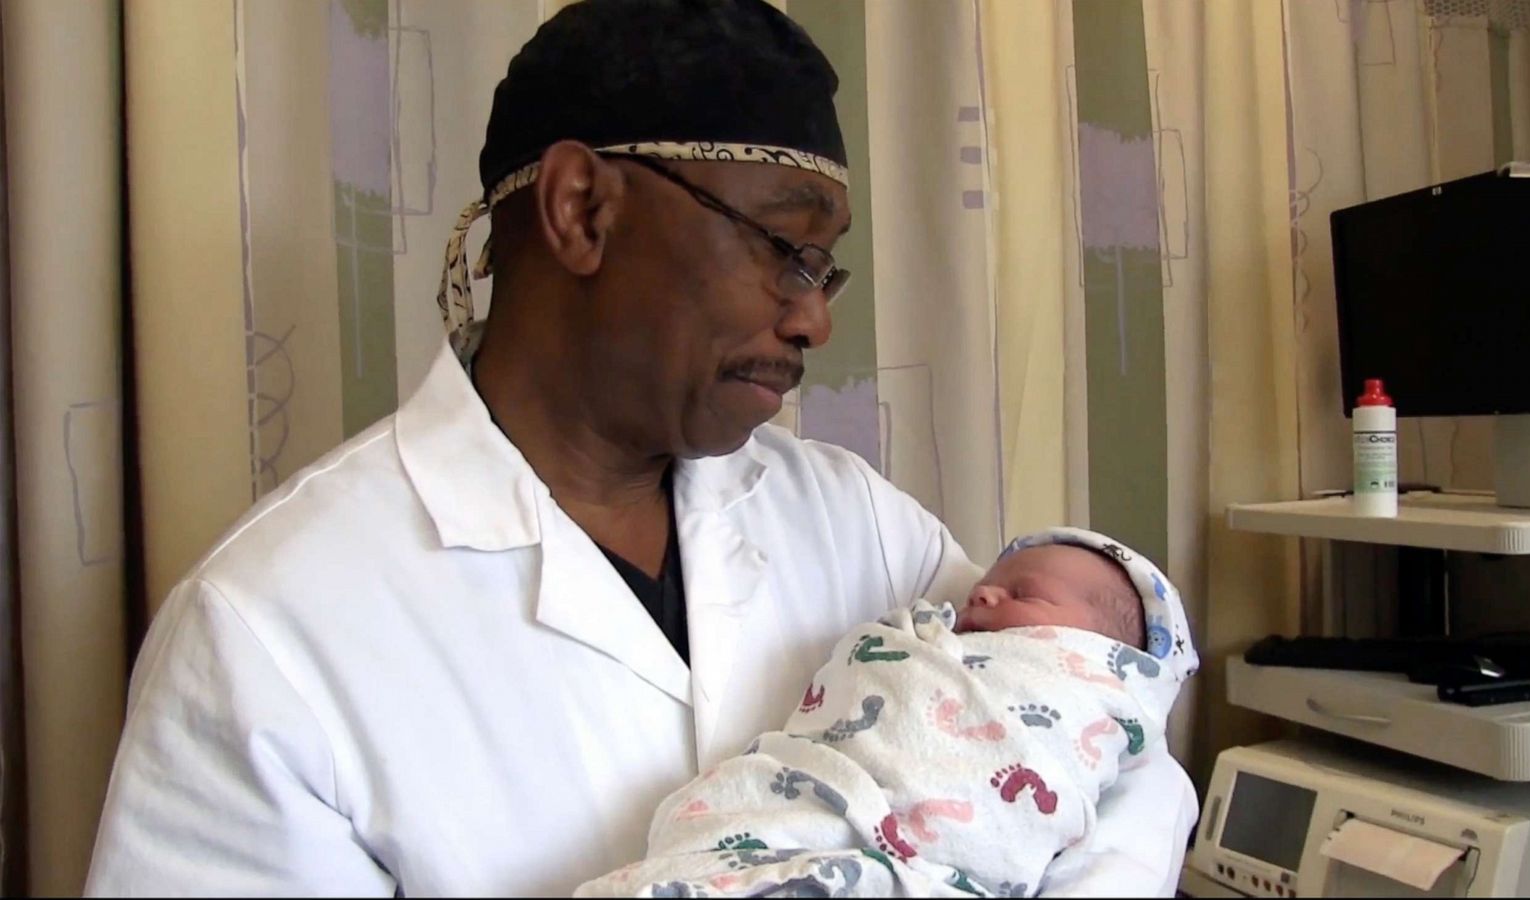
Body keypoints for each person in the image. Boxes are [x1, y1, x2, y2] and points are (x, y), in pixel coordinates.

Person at [85, 1, 1196, 895]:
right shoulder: (270, 637)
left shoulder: (857, 523)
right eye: (784, 248)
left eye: (824, 269)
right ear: (581, 211)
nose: (813, 321)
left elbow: (1102, 732)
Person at [575, 529, 1198, 897]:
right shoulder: (931, 645)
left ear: (1099, 653)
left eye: (1024, 593)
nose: (982, 591)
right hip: (804, 805)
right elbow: (877, 679)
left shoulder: (1089, 698)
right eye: (993, 582)